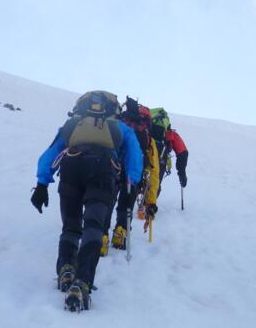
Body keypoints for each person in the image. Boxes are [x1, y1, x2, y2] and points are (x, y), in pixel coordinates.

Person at [30, 91, 142, 312]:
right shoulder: (121, 128)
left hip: (71, 169)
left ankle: (66, 268)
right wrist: (132, 186)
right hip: (103, 173)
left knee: (71, 226)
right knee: (93, 226)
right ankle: (82, 282)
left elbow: (51, 153)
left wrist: (42, 184)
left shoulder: (73, 124)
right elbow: (134, 158)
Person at [103, 97, 160, 251]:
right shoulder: (148, 138)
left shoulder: (119, 125)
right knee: (126, 205)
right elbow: (154, 170)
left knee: (108, 201)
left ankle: (102, 235)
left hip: (113, 168)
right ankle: (121, 232)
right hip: (134, 175)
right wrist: (151, 202)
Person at [149, 107, 188, 196]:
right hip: (160, 158)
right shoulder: (170, 133)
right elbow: (182, 152)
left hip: (144, 154)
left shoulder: (143, 126)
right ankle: (149, 205)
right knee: (156, 182)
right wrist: (182, 173)